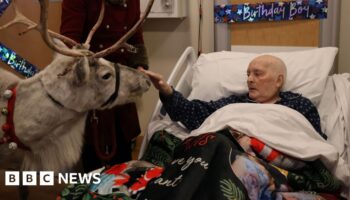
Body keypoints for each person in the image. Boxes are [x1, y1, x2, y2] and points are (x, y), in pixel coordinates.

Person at [140, 55, 327, 139]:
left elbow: (313, 142)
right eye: (248, 74)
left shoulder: (299, 105)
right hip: (232, 157)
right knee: (161, 138)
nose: (250, 80)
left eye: (257, 74)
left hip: (276, 164)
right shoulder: (236, 102)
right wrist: (166, 89)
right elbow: (196, 113)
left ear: (279, 81)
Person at [60, 0, 149, 171]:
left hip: (123, 88)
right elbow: (68, 44)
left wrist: (140, 68)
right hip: (92, 88)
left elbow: (136, 35)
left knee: (123, 150)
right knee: (92, 157)